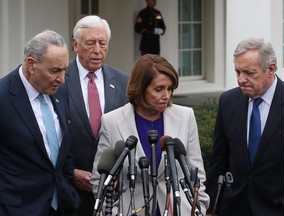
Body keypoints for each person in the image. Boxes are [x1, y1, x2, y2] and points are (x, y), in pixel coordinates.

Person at [91, 54, 210, 216]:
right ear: (140, 88)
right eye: (158, 89)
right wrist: (114, 211)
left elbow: (197, 174)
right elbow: (100, 180)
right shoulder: (112, 122)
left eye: (170, 89)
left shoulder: (185, 116)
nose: (166, 95)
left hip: (178, 210)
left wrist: (198, 208)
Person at [0, 30, 80, 216]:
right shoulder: (3, 98)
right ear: (31, 65)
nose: (61, 78)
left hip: (62, 205)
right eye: (54, 71)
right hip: (17, 209)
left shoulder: (59, 91)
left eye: (64, 70)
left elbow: (62, 151)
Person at [205, 37, 284, 216]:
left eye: (249, 73)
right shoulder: (228, 102)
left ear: (271, 69)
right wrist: (210, 207)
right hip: (234, 208)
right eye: (237, 72)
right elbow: (219, 161)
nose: (241, 79)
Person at [65, 15, 129, 216]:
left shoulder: (122, 81)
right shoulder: (58, 79)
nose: (97, 50)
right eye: (90, 43)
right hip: (70, 190)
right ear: (75, 44)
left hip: (113, 192)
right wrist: (71, 172)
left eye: (102, 43)